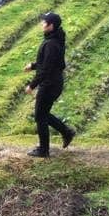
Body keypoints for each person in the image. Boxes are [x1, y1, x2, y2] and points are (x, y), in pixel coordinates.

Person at [24, 11, 75, 158]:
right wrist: (33, 66)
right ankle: (67, 132)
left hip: (49, 84)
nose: (42, 24)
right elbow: (48, 63)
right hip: (54, 82)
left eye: (44, 22)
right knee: (43, 114)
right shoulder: (55, 39)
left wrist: (32, 85)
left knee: (40, 116)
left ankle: (43, 150)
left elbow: (46, 69)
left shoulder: (51, 44)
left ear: (51, 26)